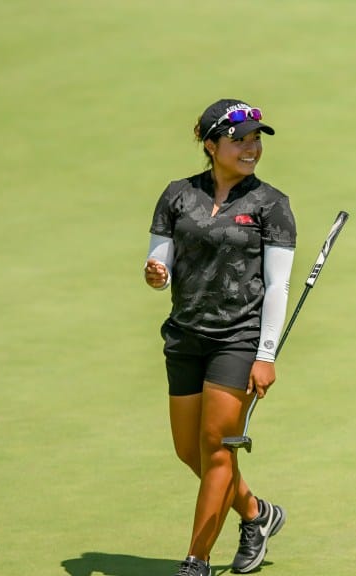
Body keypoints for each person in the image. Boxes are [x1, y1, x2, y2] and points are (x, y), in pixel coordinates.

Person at [144, 98, 297, 576]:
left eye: (255, 139)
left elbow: (278, 285)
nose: (251, 148)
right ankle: (256, 513)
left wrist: (265, 354)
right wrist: (156, 274)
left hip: (238, 339)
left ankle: (197, 560)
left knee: (216, 449)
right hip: (185, 336)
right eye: (239, 140)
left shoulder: (271, 204)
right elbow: (160, 263)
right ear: (211, 145)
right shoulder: (177, 195)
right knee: (189, 450)